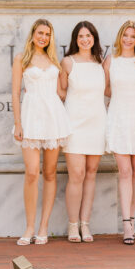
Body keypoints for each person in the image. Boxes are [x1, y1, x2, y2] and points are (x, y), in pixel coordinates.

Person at [12, 18, 70, 246]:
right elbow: (16, 93)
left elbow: (61, 92)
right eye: (40, 33)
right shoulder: (22, 59)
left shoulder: (54, 60)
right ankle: (29, 227)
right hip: (30, 117)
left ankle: (43, 227)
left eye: (47, 34)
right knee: (32, 172)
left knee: (50, 173)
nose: (43, 37)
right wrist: (18, 123)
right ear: (33, 34)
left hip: (53, 118)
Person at [104, 19, 135, 244]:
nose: (129, 40)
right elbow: (104, 88)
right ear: (120, 37)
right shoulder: (110, 61)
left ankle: (132, 219)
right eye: (125, 35)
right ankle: (126, 226)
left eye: (133, 36)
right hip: (119, 118)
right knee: (123, 171)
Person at [59, 20, 108, 243]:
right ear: (75, 40)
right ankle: (72, 225)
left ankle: (85, 224)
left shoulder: (101, 64)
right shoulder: (68, 63)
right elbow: (60, 93)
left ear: (94, 39)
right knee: (76, 174)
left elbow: (109, 90)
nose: (85, 39)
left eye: (89, 36)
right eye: (81, 36)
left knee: (91, 173)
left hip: (97, 122)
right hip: (75, 124)